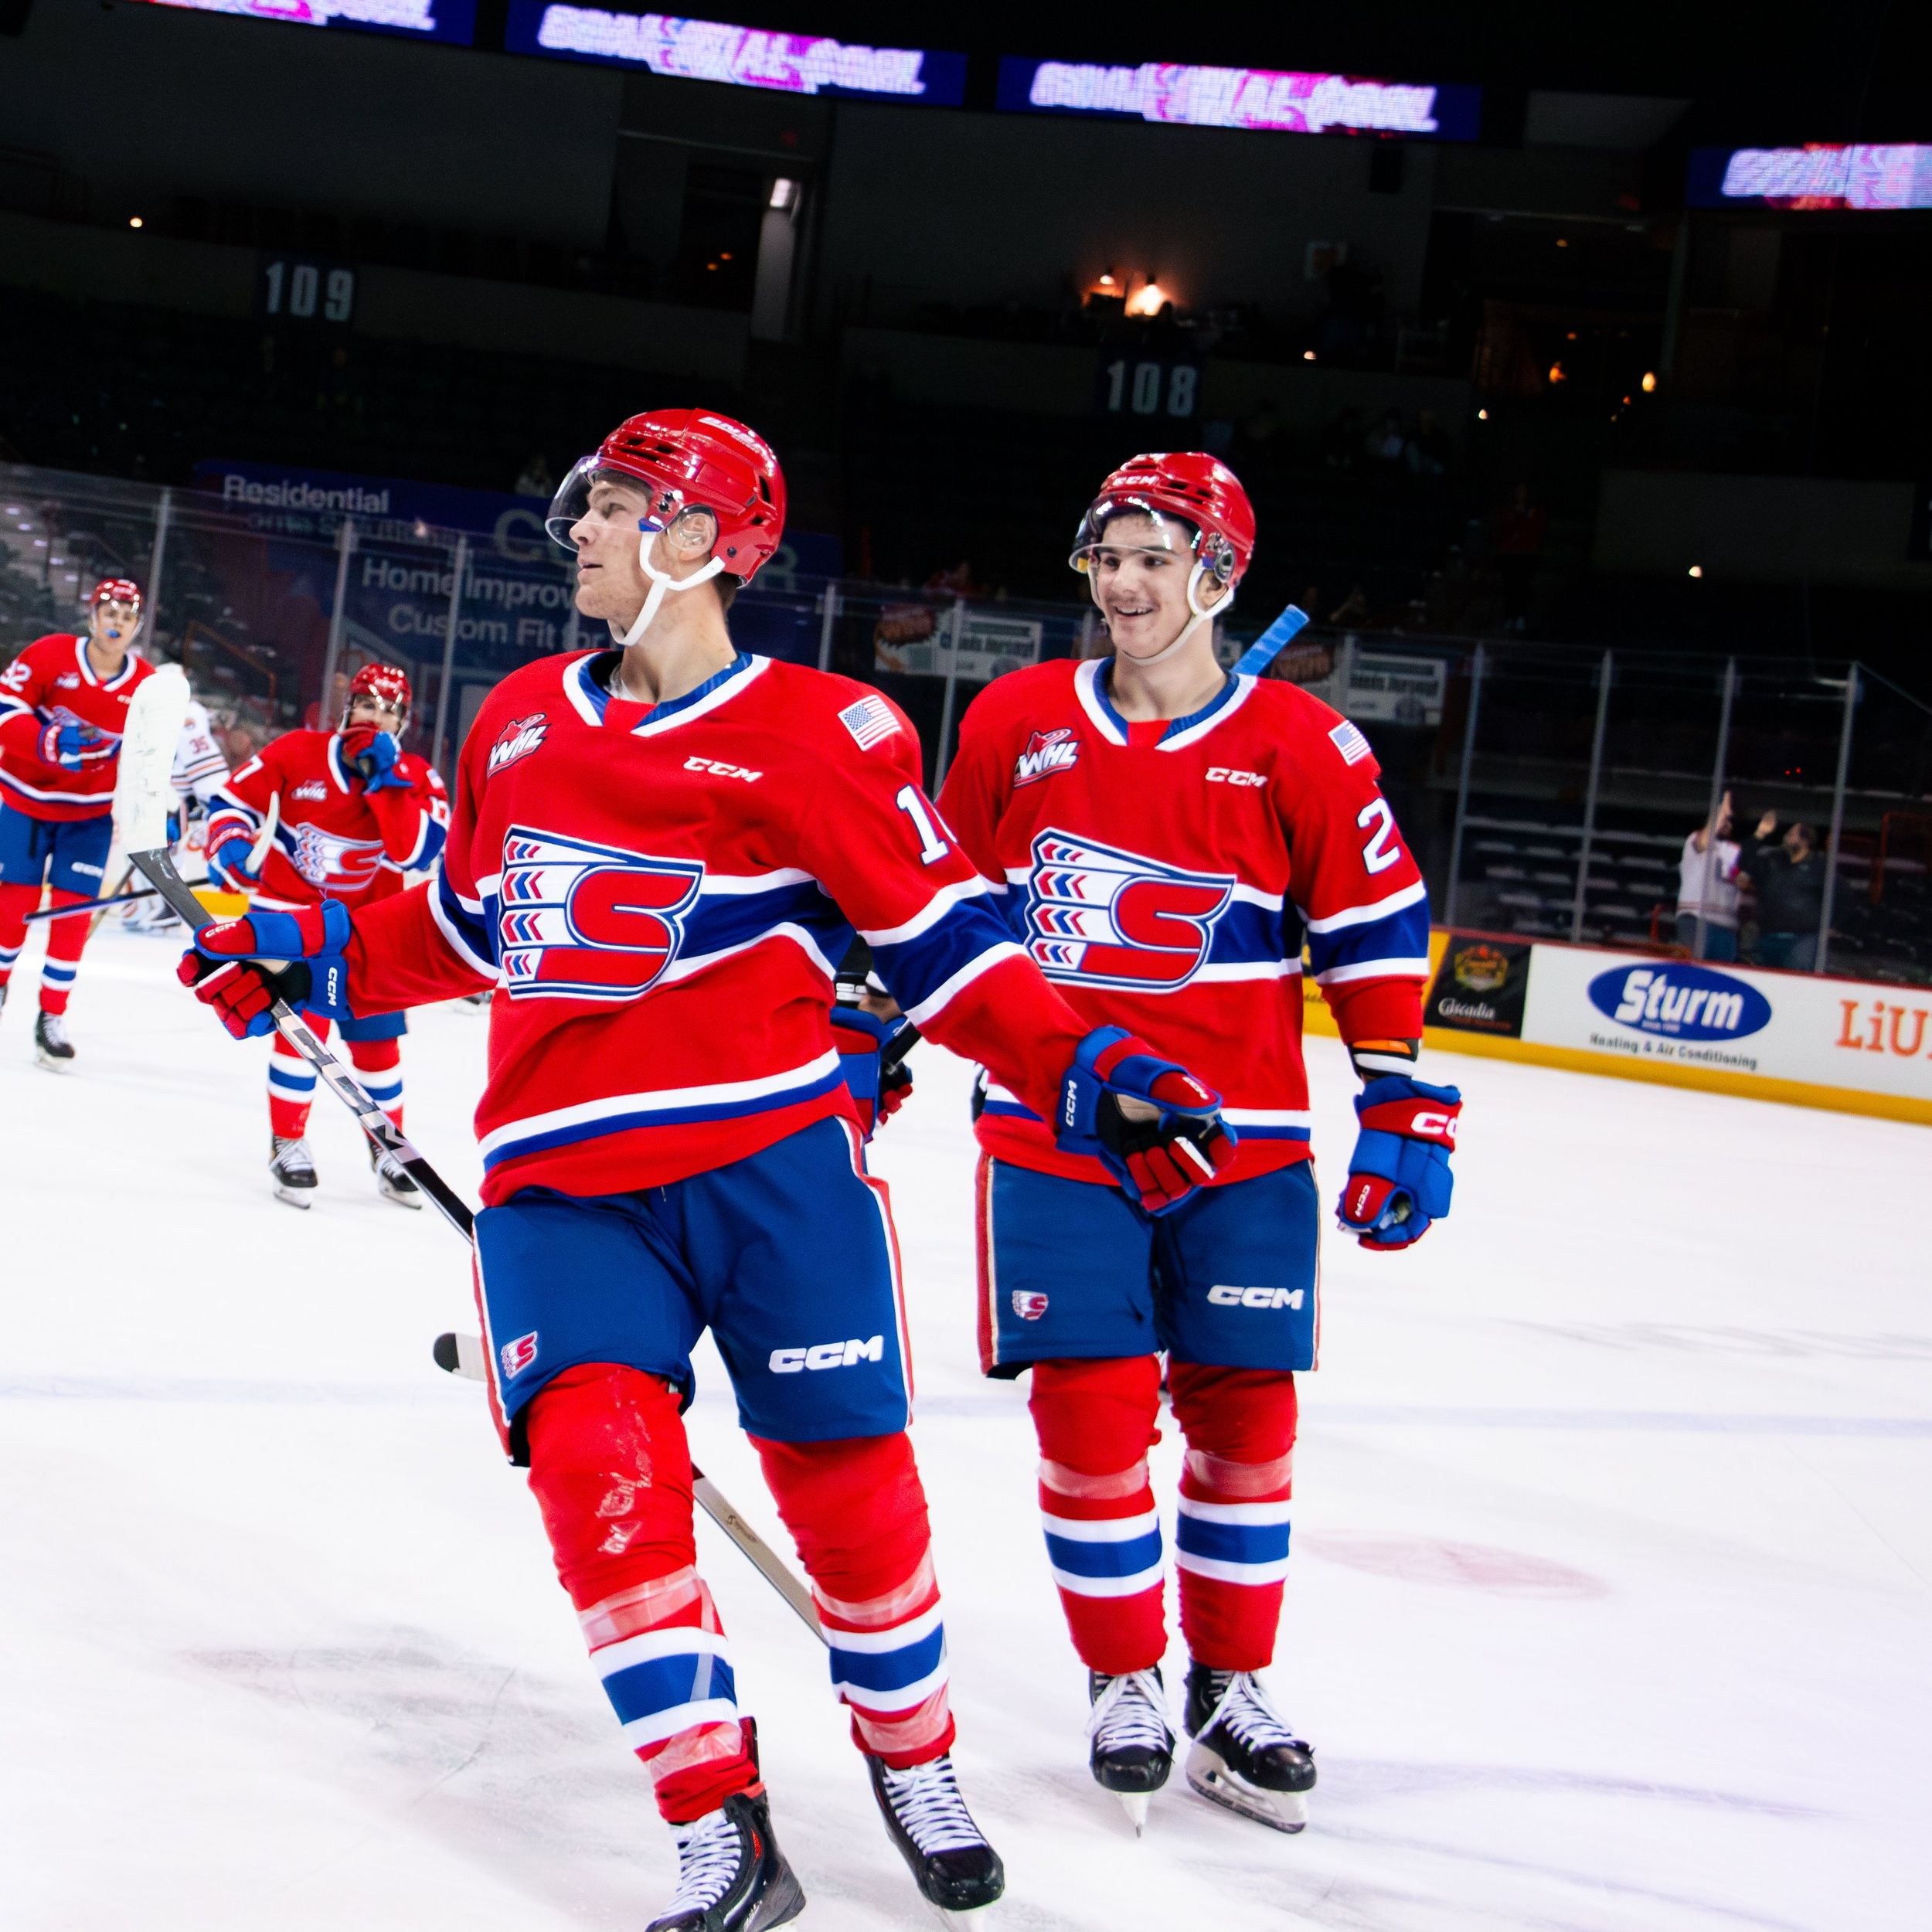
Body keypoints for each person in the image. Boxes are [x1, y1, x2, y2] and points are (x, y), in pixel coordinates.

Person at [176, 409, 1236, 1930]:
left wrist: (1090, 1063)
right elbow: (475, 928)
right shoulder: (523, 717)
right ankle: (716, 1819)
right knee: (597, 1480)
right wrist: (310, 947)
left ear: (696, 538)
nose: (583, 533)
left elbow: (950, 950)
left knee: (855, 1501)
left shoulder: (827, 732)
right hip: (562, 1186)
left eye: (615, 509)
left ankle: (910, 1749)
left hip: (775, 1170)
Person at [934, 451, 1462, 1835]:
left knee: (1246, 1419)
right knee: (1091, 1411)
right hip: (1054, 1129)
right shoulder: (1015, 719)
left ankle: (1232, 1687)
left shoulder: (1300, 743)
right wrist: (880, 1028)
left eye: (1155, 560)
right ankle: (1125, 1677)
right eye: (1107, 557)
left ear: (1218, 578)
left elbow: (1374, 932)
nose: (1121, 584)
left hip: (1246, 1140)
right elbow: (949, 908)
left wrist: (1404, 1106)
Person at [200, 663, 448, 1207]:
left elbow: (418, 853)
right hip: (293, 923)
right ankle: (287, 1142)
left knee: (378, 1047)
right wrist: (231, 849)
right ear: (348, 708)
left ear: (403, 722)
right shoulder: (297, 751)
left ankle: (389, 1148)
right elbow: (230, 804)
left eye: (390, 710)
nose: (377, 717)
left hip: (373, 932)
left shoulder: (418, 776)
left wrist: (388, 783)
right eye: (368, 705)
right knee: (300, 1037)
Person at [0, 577, 155, 1068]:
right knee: (13, 913)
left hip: (88, 818)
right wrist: (49, 742)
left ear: (137, 627)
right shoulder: (50, 654)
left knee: (70, 920)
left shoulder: (147, 685)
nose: (116, 622)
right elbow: (6, 708)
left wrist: (159, 811)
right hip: (24, 805)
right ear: (92, 616)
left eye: (126, 616)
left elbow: (152, 757)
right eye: (109, 612)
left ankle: (51, 1016)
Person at [1742, 811, 1825, 969]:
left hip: (1801, 939)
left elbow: (1843, 897)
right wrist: (1760, 834)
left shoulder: (1819, 867)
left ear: (1805, 840)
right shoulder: (1772, 860)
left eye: (1791, 834)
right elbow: (1744, 862)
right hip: (1768, 936)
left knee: (1796, 984)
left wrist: (1832, 925)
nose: (1786, 837)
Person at [1675, 791, 1742, 961]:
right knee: (1695, 970)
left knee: (1722, 978)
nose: (1725, 823)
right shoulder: (1696, 841)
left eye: (1728, 821)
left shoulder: (1734, 850)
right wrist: (1722, 811)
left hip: (1726, 926)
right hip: (1697, 919)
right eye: (1721, 820)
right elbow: (1705, 840)